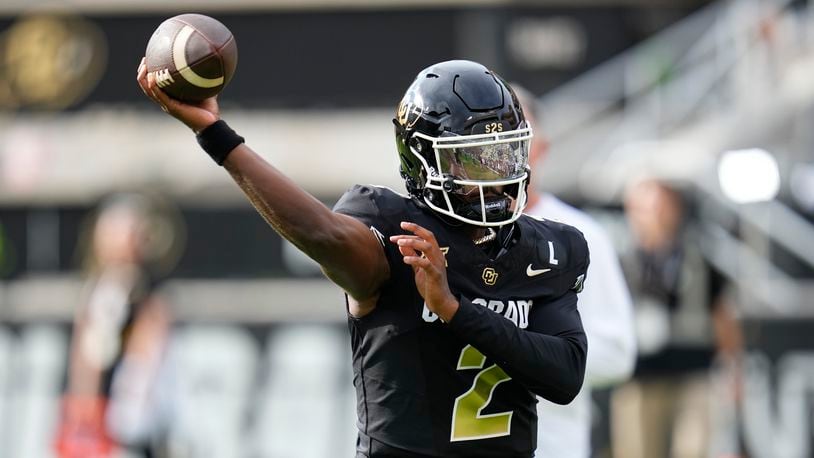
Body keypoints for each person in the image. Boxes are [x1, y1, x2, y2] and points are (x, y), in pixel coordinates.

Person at [137, 58, 590, 457]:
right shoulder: (394, 230)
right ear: (423, 159)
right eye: (472, 163)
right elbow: (321, 231)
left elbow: (564, 377)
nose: (497, 179)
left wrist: (453, 308)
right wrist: (217, 136)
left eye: (505, 156)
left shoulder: (549, 250)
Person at [512, 87, 636, 457]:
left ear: (542, 149)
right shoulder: (451, 233)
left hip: (551, 444)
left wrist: (522, 347)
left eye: (517, 138)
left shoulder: (578, 236)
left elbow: (618, 352)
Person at [611, 178, 743, 458]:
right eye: (645, 208)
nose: (654, 216)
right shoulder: (619, 262)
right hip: (640, 379)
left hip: (693, 375)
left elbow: (723, 316)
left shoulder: (698, 259)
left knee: (694, 448)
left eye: (661, 207)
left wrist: (733, 369)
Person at [56, 194, 176, 458]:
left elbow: (147, 350)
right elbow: (86, 355)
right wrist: (82, 405)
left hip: (128, 414)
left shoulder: (145, 293)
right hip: (99, 418)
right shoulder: (98, 289)